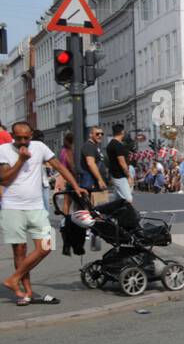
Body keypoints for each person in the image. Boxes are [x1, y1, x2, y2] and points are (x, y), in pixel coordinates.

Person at [1, 121, 86, 305]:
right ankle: (26, 293)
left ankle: (13, 279)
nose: (22, 141)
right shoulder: (4, 150)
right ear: (12, 135)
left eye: (26, 138)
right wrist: (21, 161)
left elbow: (59, 166)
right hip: (12, 207)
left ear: (31, 135)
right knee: (20, 250)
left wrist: (76, 186)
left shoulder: (39, 147)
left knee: (46, 246)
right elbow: (5, 180)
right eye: (18, 138)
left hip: (36, 206)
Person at [105, 123, 133, 202]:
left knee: (118, 200)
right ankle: (131, 214)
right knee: (128, 199)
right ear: (122, 132)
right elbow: (122, 162)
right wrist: (128, 176)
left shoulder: (110, 145)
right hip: (120, 176)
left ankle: (114, 214)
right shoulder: (118, 145)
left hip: (115, 175)